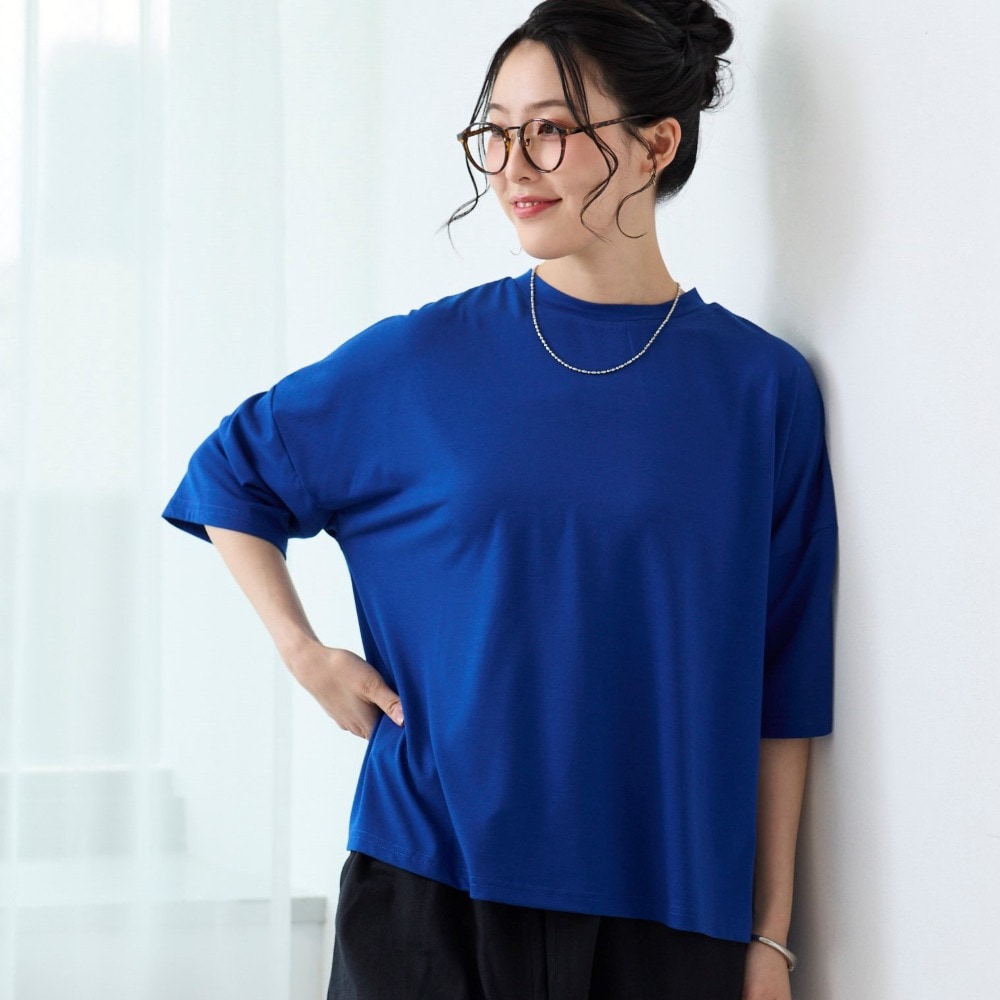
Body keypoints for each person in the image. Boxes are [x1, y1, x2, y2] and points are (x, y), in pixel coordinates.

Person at [163, 1, 837, 997]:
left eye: (551, 130)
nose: (512, 165)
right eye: (496, 131)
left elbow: (787, 684)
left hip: (665, 910)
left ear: (657, 144)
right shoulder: (424, 359)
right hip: (430, 891)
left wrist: (769, 937)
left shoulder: (760, 389)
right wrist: (306, 654)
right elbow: (233, 471)